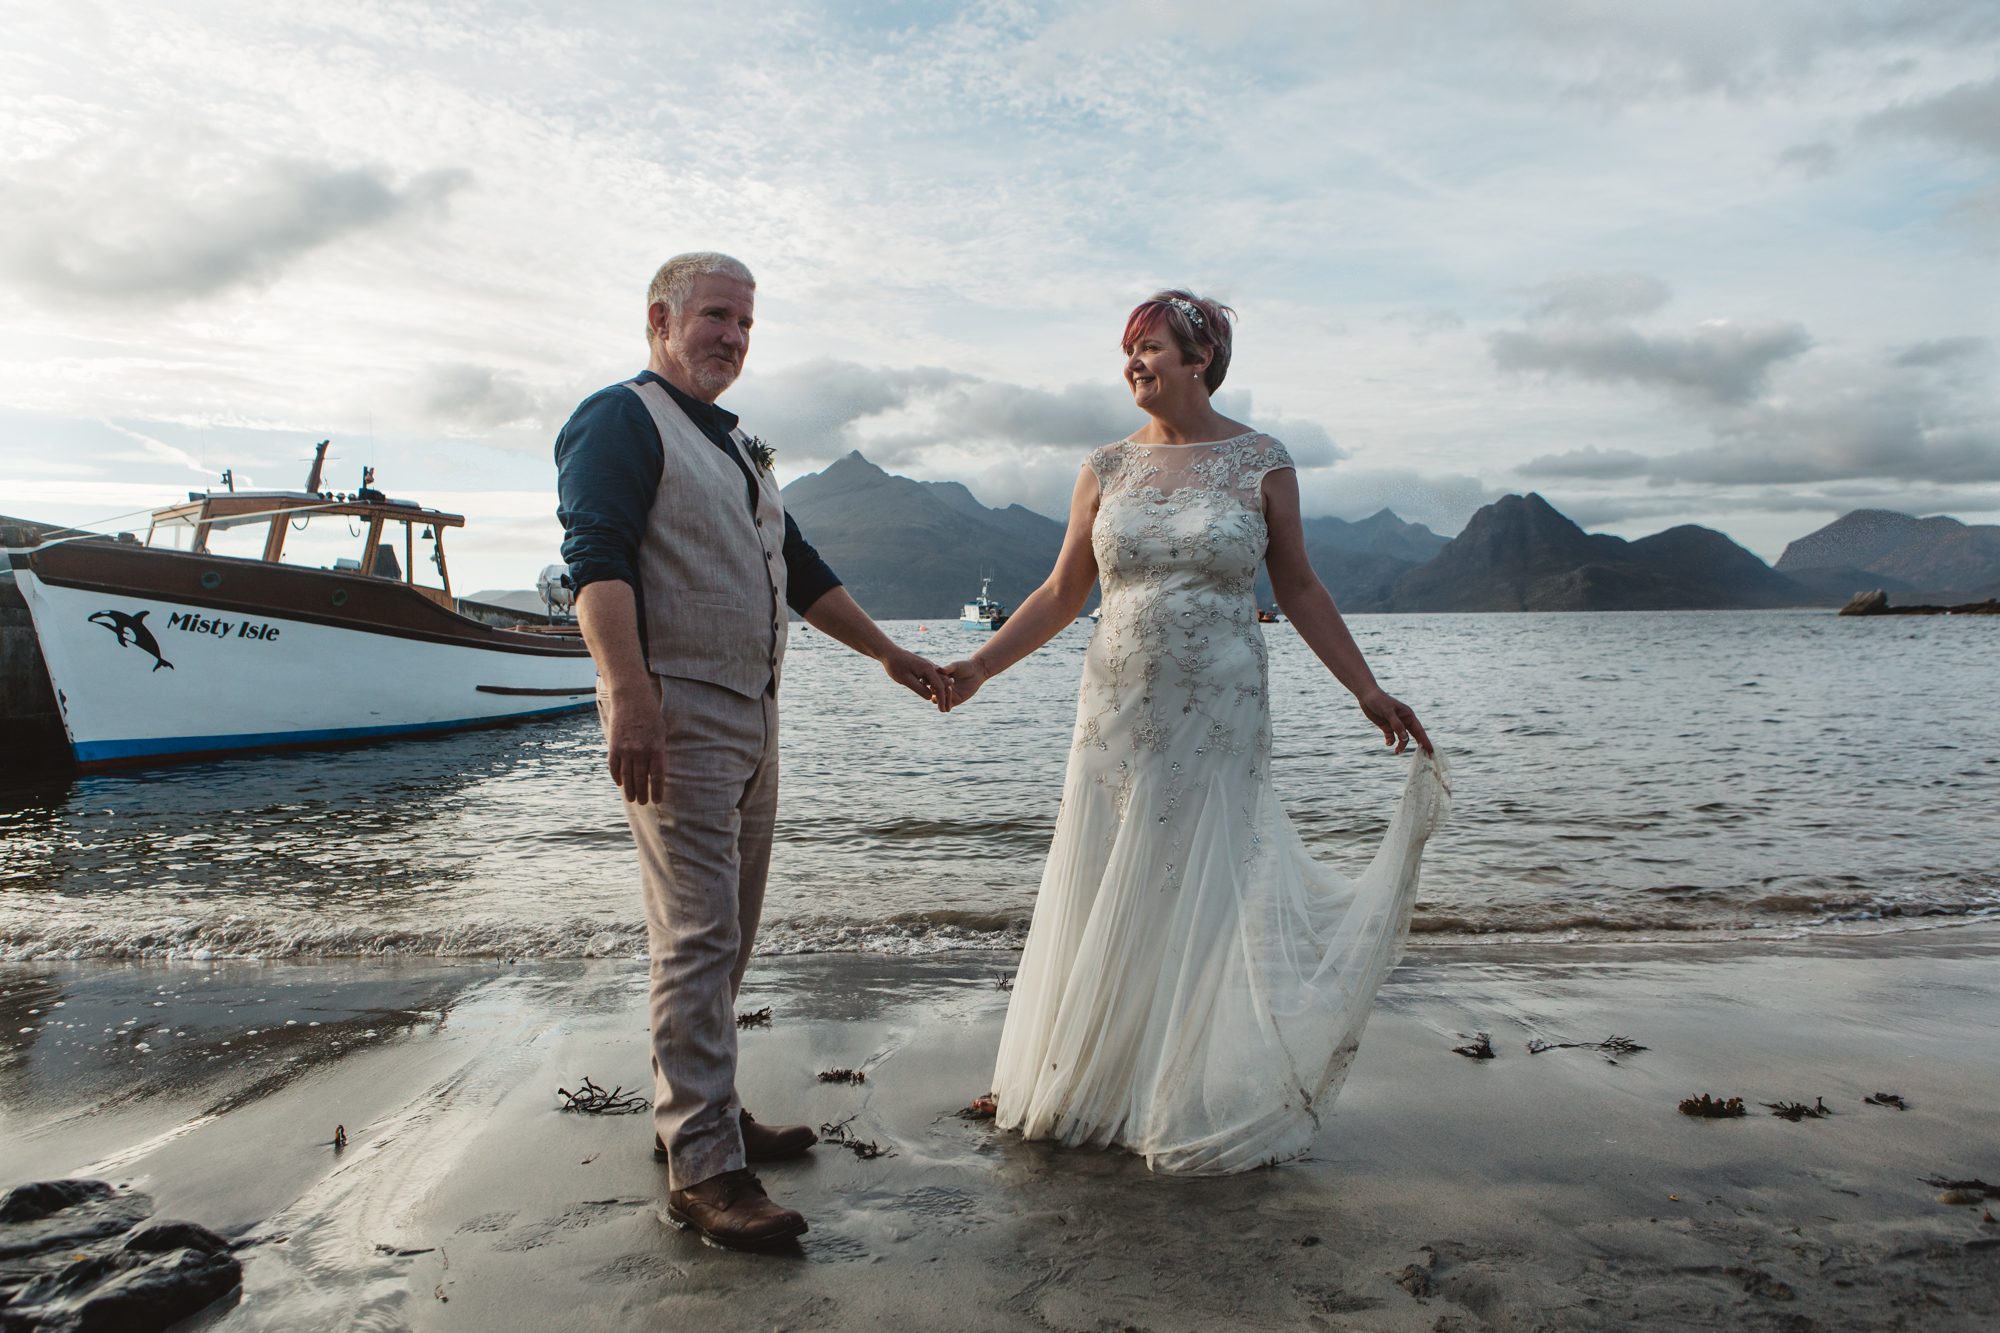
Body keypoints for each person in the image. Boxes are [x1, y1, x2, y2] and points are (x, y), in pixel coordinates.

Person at [943, 290, 1451, 1174]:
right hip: (1115, 708)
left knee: (1199, 884)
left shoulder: (1261, 463)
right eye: (1128, 352)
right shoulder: (1104, 466)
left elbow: (1297, 587)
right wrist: (980, 667)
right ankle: (1082, 1072)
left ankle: (1166, 1083)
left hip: (1220, 708)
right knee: (1104, 871)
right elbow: (1066, 592)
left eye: (1150, 350)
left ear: (1200, 359)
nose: (1134, 365)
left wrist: (1365, 688)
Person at [554, 251, 953, 1248]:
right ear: (660, 318)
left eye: (745, 323)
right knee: (695, 939)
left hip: (754, 716)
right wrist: (625, 689)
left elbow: (801, 572)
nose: (732, 337)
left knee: (727, 932)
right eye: (716, 316)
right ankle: (704, 1170)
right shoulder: (619, 418)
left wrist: (890, 654)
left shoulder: (739, 450)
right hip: (675, 710)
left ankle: (700, 1113)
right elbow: (594, 557)